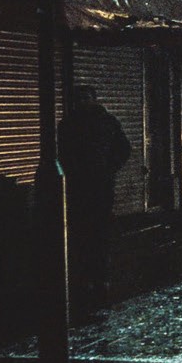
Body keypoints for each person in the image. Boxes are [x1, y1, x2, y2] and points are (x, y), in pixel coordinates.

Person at [58, 84, 131, 311]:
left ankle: (97, 276)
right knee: (85, 232)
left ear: (94, 99)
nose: (82, 102)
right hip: (83, 186)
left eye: (86, 98)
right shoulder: (69, 125)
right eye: (79, 99)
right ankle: (89, 277)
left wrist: (108, 169)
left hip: (97, 185)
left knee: (97, 232)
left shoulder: (104, 123)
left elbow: (123, 148)